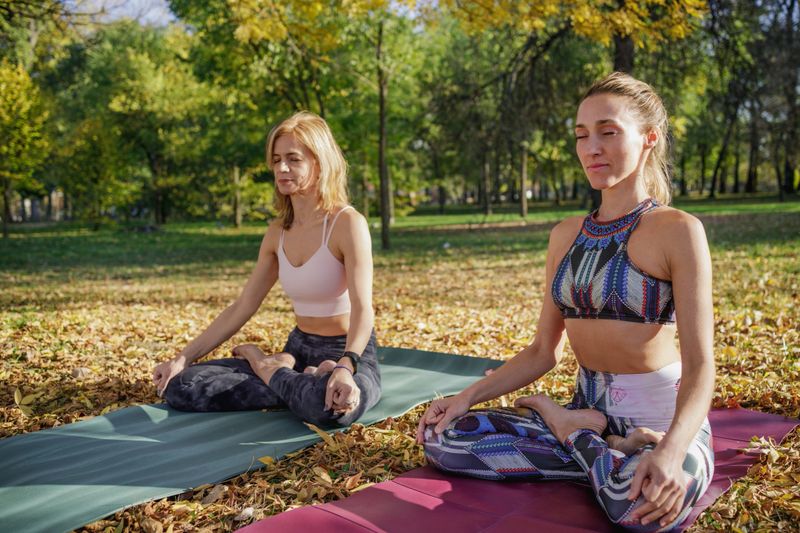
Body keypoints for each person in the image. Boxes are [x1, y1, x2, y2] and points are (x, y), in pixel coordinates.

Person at [416, 72, 715, 532]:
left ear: (649, 138)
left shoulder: (678, 230)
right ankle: (600, 437)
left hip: (664, 420)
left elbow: (700, 366)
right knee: (445, 439)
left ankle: (572, 429)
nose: (591, 147)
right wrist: (464, 398)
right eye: (582, 135)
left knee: (638, 509)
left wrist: (674, 450)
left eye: (608, 132)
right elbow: (543, 351)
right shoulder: (564, 235)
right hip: (587, 399)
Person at [153, 111, 380, 427]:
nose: (281, 168)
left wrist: (345, 366)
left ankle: (266, 366)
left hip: (349, 350)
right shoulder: (278, 232)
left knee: (330, 408)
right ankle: (286, 374)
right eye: (276, 160)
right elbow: (243, 306)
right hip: (299, 349)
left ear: (320, 162)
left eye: (293, 159)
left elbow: (363, 308)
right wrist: (182, 358)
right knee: (183, 387)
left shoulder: (347, 224)